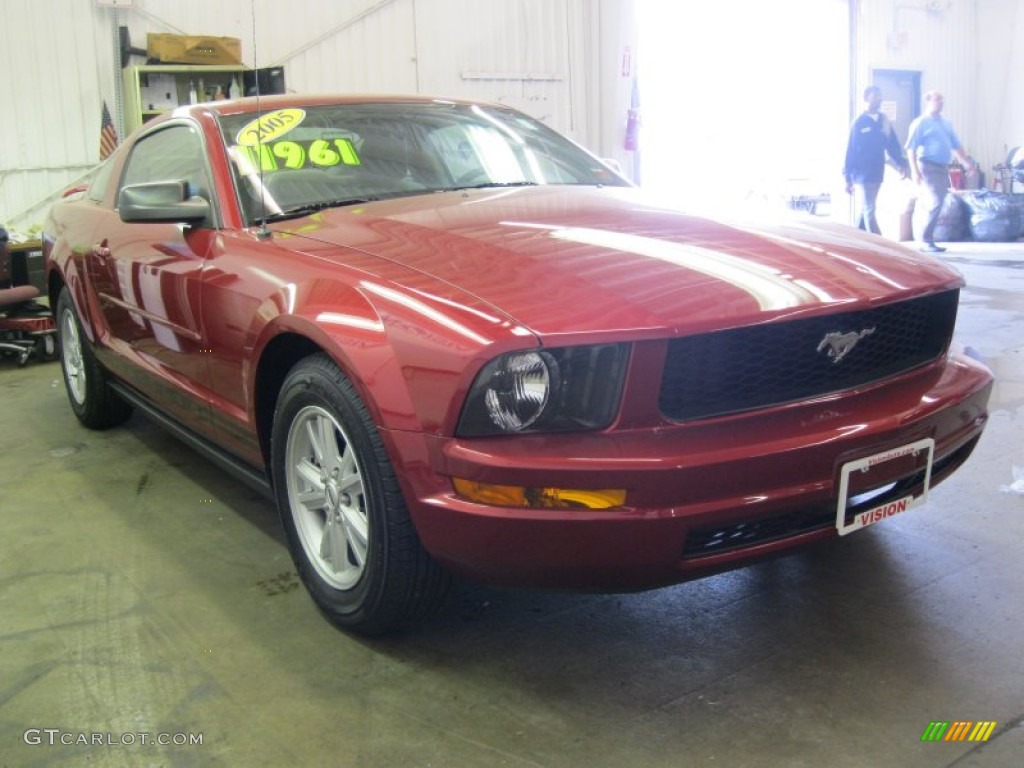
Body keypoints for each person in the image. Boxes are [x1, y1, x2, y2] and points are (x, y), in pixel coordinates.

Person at [904, 91, 971, 253]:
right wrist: (914, 171)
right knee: (936, 200)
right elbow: (910, 148)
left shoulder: (946, 124)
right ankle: (926, 239)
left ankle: (927, 236)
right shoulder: (920, 123)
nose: (941, 103)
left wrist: (967, 163)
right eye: (937, 100)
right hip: (927, 166)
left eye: (942, 100)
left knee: (939, 200)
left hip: (942, 168)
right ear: (928, 102)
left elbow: (955, 145)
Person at [843, 85, 908, 235]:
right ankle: (879, 243)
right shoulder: (859, 122)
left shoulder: (884, 121)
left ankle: (854, 237)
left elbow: (892, 144)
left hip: (877, 172)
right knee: (869, 209)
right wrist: (847, 177)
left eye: (880, 96)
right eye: (876, 96)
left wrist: (901, 163)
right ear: (866, 98)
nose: (880, 99)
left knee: (866, 208)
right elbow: (850, 150)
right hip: (862, 174)